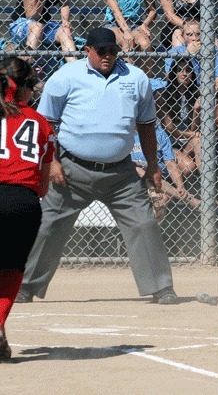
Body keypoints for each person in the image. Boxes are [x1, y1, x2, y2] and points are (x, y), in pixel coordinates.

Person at [16, 27, 178, 305]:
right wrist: (52, 161)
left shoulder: (136, 78)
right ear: (87, 50)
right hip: (71, 169)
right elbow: (46, 124)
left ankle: (161, 287)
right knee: (49, 226)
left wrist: (153, 164)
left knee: (143, 223)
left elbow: (147, 125)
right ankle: (25, 287)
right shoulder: (65, 77)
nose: (107, 56)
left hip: (121, 172)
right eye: (101, 51)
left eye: (112, 51)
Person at [0, 58, 55, 361]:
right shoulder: (40, 122)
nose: (33, 91)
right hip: (23, 201)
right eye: (31, 85)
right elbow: (44, 187)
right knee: (11, 269)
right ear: (21, 90)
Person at [131, 124, 201, 221]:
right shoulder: (127, 133)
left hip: (159, 178)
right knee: (139, 170)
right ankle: (190, 200)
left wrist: (180, 186)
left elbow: (170, 162)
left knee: (162, 199)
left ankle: (154, 234)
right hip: (137, 179)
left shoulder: (158, 132)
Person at [161, 58, 201, 178]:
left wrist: (196, 111)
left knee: (199, 141)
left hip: (188, 140)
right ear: (174, 73)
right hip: (171, 142)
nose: (184, 74)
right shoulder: (165, 95)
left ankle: (208, 183)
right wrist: (192, 134)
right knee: (189, 167)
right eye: (180, 70)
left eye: (188, 70)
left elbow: (194, 128)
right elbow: (170, 129)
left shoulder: (196, 94)